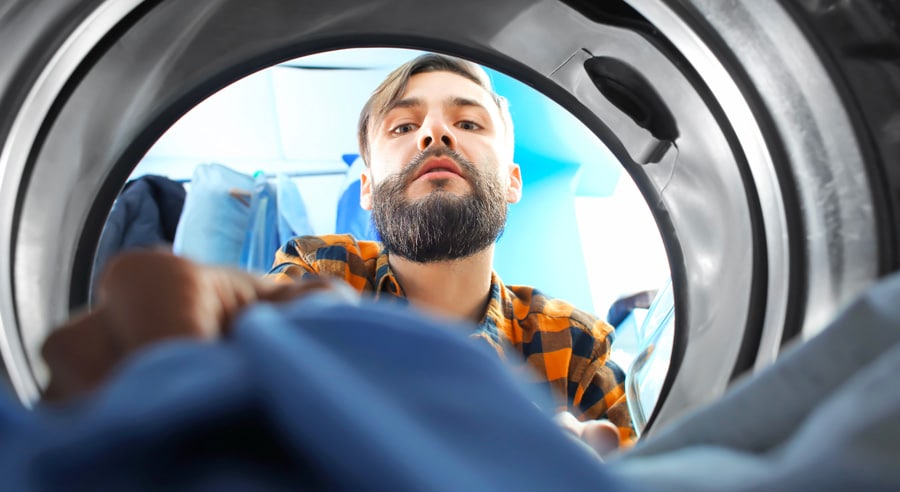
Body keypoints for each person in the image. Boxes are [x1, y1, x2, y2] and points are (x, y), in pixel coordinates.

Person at [265, 53, 633, 444]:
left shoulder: (578, 350)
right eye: (404, 125)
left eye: (468, 123)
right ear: (367, 188)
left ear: (512, 182)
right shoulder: (318, 272)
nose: (435, 132)